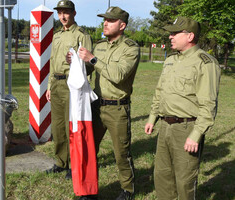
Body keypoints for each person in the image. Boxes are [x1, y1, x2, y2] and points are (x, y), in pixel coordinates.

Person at [144, 16, 221, 200]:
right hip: (165, 126)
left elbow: (208, 104)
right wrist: (152, 117)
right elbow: (160, 91)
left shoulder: (205, 62)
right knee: (162, 177)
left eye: (175, 33)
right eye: (170, 33)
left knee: (185, 182)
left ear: (190, 36)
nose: (170, 37)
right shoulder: (171, 60)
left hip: (186, 128)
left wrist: (196, 135)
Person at [69, 6, 140, 200]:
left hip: (117, 108)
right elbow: (90, 70)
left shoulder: (131, 48)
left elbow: (118, 75)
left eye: (110, 20)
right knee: (89, 150)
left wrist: (92, 59)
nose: (105, 23)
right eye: (104, 20)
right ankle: (89, 190)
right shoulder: (100, 46)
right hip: (96, 105)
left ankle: (128, 190)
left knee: (121, 153)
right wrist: (76, 62)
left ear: (122, 25)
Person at [45, 0, 93, 180]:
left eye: (66, 12)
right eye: (60, 13)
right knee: (57, 127)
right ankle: (60, 162)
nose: (63, 16)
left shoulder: (81, 35)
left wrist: (83, 89)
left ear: (74, 13)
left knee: (72, 126)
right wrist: (50, 86)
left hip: (72, 84)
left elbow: (88, 64)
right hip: (57, 84)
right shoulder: (57, 35)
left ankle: (75, 165)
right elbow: (52, 62)